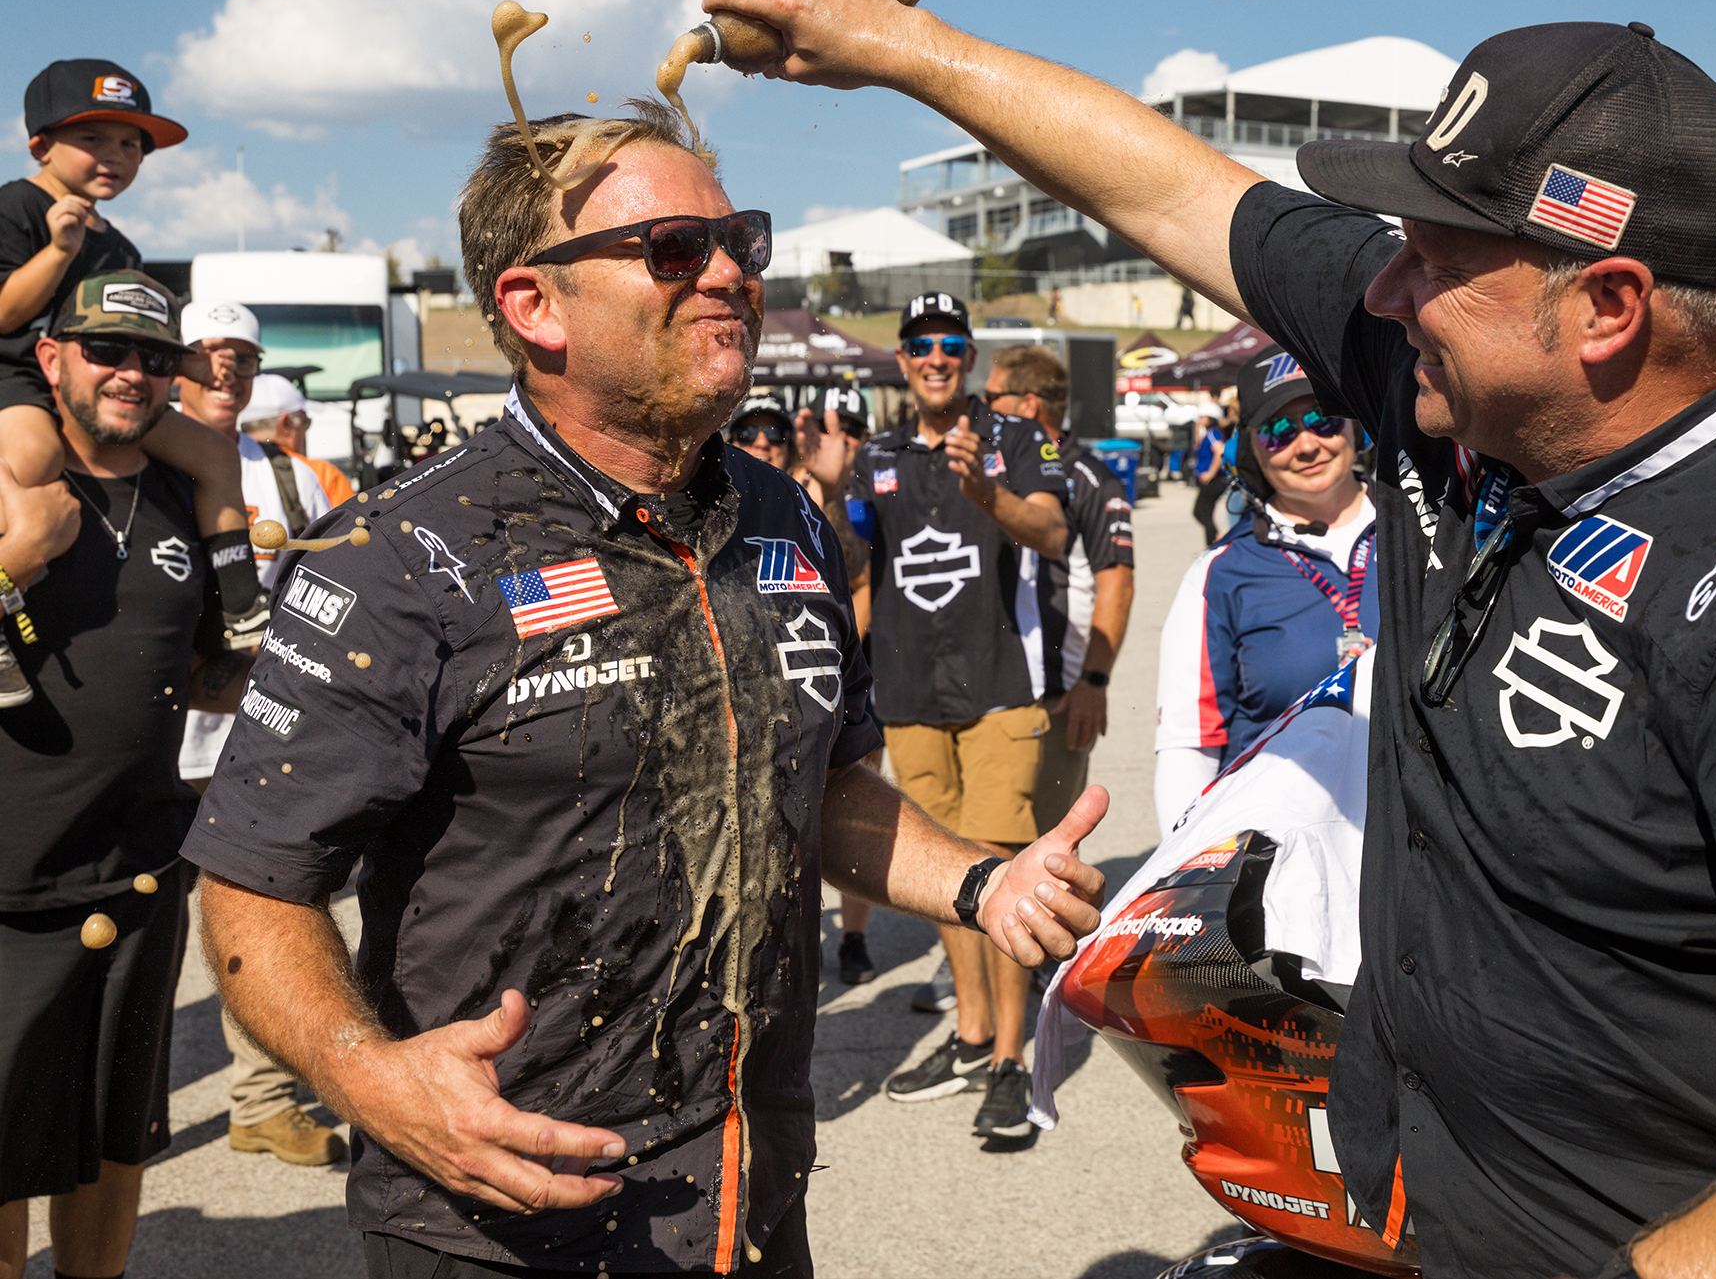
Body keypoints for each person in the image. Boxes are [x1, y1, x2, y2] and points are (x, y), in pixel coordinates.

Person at [704, 0, 1716, 1279]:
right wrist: (904, 48)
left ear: (1606, 308)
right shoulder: (1465, 378)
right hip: (1408, 1214)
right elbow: (1179, 191)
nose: (1379, 290)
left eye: (1429, 257)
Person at [183, 101, 1107, 1276]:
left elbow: (820, 787)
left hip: (747, 1194)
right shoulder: (401, 555)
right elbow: (254, 885)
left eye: (742, 241)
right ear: (533, 305)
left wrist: (978, 880)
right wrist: (372, 1080)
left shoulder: (785, 520)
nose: (729, 272)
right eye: (675, 248)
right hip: (503, 1214)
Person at [0, 271, 252, 1279]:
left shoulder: (182, 491)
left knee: (111, 1143)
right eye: (108, 350)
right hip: (8, 888)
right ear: (51, 360)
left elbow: (205, 674)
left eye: (154, 357)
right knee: (5, 1151)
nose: (133, 373)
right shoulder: (12, 480)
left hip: (140, 874)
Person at [847, 290, 1069, 1141]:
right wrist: (829, 489)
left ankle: (1011, 1057)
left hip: (998, 683)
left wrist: (988, 495)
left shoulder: (1017, 437)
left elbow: (1050, 532)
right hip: (906, 690)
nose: (934, 356)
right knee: (947, 878)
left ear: (968, 357)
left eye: (949, 343)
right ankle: (971, 1030)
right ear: (901, 360)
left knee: (1003, 874)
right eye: (918, 345)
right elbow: (858, 564)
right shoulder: (879, 455)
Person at [0, 60, 262, 706]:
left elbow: (144, 342)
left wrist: (188, 361)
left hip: (91, 391)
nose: (116, 155)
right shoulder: (14, 207)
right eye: (94, 138)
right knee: (33, 458)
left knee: (213, 452)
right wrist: (58, 250)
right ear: (40, 144)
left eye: (131, 144)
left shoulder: (118, 245)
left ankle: (239, 603)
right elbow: (5, 314)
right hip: (15, 374)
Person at [170, 304, 344, 1170]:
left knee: (265, 917)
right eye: (208, 353)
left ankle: (263, 1102)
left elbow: (322, 601)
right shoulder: (138, 457)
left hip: (254, 737)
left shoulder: (287, 476)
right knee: (140, 937)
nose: (226, 370)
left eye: (241, 356)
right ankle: (106, 1107)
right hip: (145, 741)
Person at [1152, 347, 1374, 832]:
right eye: (1279, 432)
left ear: (1354, 425)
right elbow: (1189, 744)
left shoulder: (1422, 534)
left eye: (1324, 420)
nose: (1307, 445)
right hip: (1276, 848)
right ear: (1249, 449)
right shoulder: (1218, 574)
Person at [984, 345, 1134, 843]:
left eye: (991, 397)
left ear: (1028, 405)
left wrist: (1094, 680)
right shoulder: (989, 469)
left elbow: (1117, 579)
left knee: (1047, 848)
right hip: (987, 694)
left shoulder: (1089, 477)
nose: (980, 408)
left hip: (1058, 696)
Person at [791, 384, 884, 985]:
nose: (843, 435)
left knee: (861, 797)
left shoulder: (856, 492)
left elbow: (860, 581)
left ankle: (853, 937)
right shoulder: (757, 491)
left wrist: (833, 485)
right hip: (779, 687)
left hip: (843, 680)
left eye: (853, 424)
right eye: (752, 434)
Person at [239, 372, 357, 506]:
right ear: (286, 424)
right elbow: (354, 524)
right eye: (305, 422)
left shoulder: (226, 467)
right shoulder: (323, 475)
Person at [1189, 406, 1226, 545]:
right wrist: (1198, 427)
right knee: (1205, 514)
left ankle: (1218, 539)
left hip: (1214, 480)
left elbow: (1219, 451)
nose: (1199, 419)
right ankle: (1212, 543)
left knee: (1200, 512)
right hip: (1208, 480)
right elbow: (1198, 445)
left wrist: (1211, 472)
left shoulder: (1213, 433)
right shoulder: (1208, 433)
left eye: (1202, 417)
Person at [728, 392, 795, 467]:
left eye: (774, 433)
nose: (762, 443)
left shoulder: (806, 476)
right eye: (747, 433)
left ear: (790, 448)